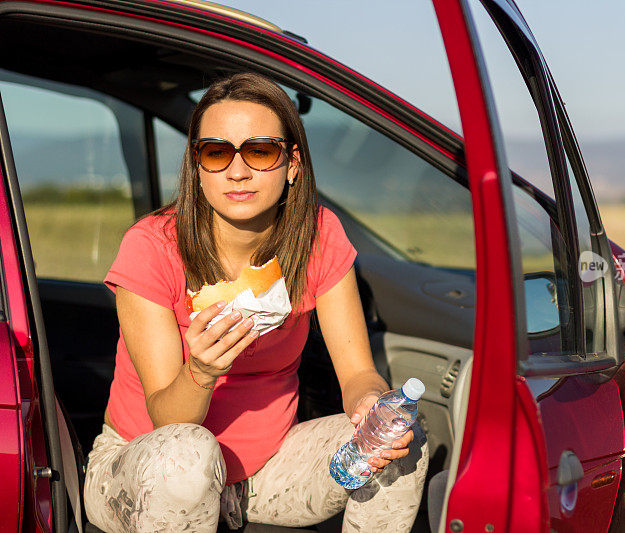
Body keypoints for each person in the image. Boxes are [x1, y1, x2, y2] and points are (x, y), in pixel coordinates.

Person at [83, 72, 428, 532]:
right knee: (187, 454)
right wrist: (201, 372)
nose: (237, 171)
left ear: (292, 164)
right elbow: (168, 419)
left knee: (401, 438)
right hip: (145, 468)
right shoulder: (152, 246)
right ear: (197, 165)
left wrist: (370, 404)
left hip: (265, 471)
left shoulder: (319, 237)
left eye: (260, 151)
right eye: (217, 152)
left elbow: (357, 373)